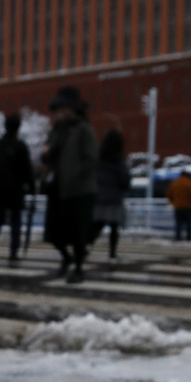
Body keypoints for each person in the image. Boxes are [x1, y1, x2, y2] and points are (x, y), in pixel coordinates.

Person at [42, 86, 98, 283]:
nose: (60, 113)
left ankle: (79, 268)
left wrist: (75, 175)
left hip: (79, 189)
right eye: (58, 109)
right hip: (58, 187)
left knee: (77, 231)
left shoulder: (83, 128)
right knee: (54, 231)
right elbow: (48, 154)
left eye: (64, 108)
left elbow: (91, 158)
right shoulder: (57, 130)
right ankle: (67, 258)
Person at [0, 114, 35, 264]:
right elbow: (27, 169)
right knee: (15, 221)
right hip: (15, 188)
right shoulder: (20, 146)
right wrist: (30, 186)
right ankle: (13, 251)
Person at [91, 129, 131, 260]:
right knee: (114, 226)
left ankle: (85, 246)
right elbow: (124, 178)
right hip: (114, 198)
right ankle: (112, 252)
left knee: (97, 225)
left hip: (99, 196)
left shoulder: (98, 157)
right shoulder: (119, 160)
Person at [167, 169, 191, 242]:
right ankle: (189, 238)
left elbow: (169, 194)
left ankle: (178, 238)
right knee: (189, 224)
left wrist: (174, 202)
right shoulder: (190, 183)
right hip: (188, 207)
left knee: (178, 224)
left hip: (178, 207)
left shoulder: (175, 183)